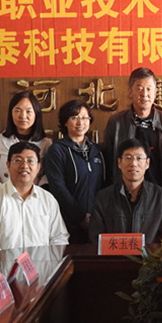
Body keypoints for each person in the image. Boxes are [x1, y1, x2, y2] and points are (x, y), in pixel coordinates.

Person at [0, 141, 69, 254]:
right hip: (4, 265)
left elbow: (59, 239)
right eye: (18, 160)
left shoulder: (48, 200)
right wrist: (9, 263)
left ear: (38, 167)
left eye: (30, 161)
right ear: (8, 165)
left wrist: (48, 262)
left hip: (41, 264)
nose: (24, 166)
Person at [103, 67, 162, 202]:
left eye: (149, 89)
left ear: (155, 92)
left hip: (160, 195)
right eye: (139, 89)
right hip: (126, 195)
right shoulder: (116, 122)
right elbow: (110, 161)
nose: (144, 94)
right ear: (130, 92)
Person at [89, 138, 162, 244]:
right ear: (119, 163)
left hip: (150, 254)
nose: (133, 163)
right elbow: (96, 237)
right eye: (128, 158)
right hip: (115, 254)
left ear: (147, 163)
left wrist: (150, 252)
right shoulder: (104, 197)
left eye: (139, 158)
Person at [44, 100, 105, 244]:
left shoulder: (97, 151)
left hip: (97, 221)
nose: (80, 122)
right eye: (74, 117)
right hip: (67, 221)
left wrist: (97, 215)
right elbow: (58, 187)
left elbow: (104, 184)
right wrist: (80, 216)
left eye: (84, 117)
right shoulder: (57, 150)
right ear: (65, 122)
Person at [0, 90, 52, 195]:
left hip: (34, 198)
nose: (23, 116)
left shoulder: (46, 143)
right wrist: (1, 195)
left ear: (36, 114)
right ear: (11, 113)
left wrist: (38, 193)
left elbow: (48, 175)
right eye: (17, 110)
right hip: (3, 197)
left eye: (28, 111)